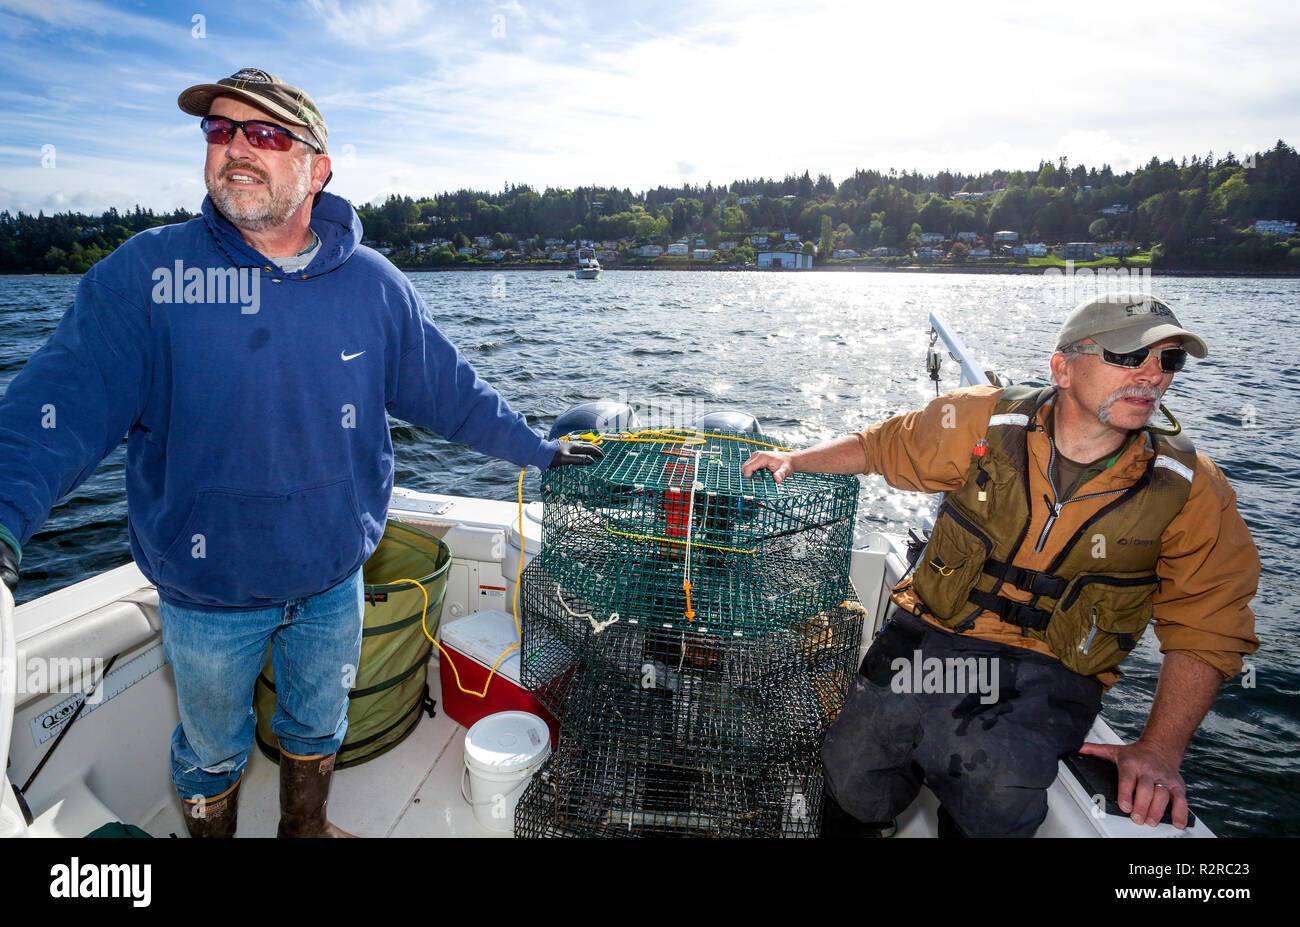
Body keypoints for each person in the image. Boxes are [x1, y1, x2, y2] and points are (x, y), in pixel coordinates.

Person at [0, 68, 600, 838]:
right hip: (207, 596)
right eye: (221, 130)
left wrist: (540, 452)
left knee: (317, 730)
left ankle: (305, 829)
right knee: (212, 754)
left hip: (332, 582)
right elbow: (58, 403)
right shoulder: (148, 277)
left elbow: (453, 393)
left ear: (318, 166)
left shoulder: (374, 288)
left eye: (266, 134)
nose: (237, 148)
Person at [742, 294, 1259, 837]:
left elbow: (1209, 623)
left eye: (1168, 362)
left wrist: (1159, 748)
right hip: (936, 628)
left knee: (995, 785)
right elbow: (886, 446)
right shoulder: (982, 421)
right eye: (1129, 357)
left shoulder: (1190, 486)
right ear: (1062, 367)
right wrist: (795, 460)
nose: (1152, 377)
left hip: (1051, 664)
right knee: (854, 756)